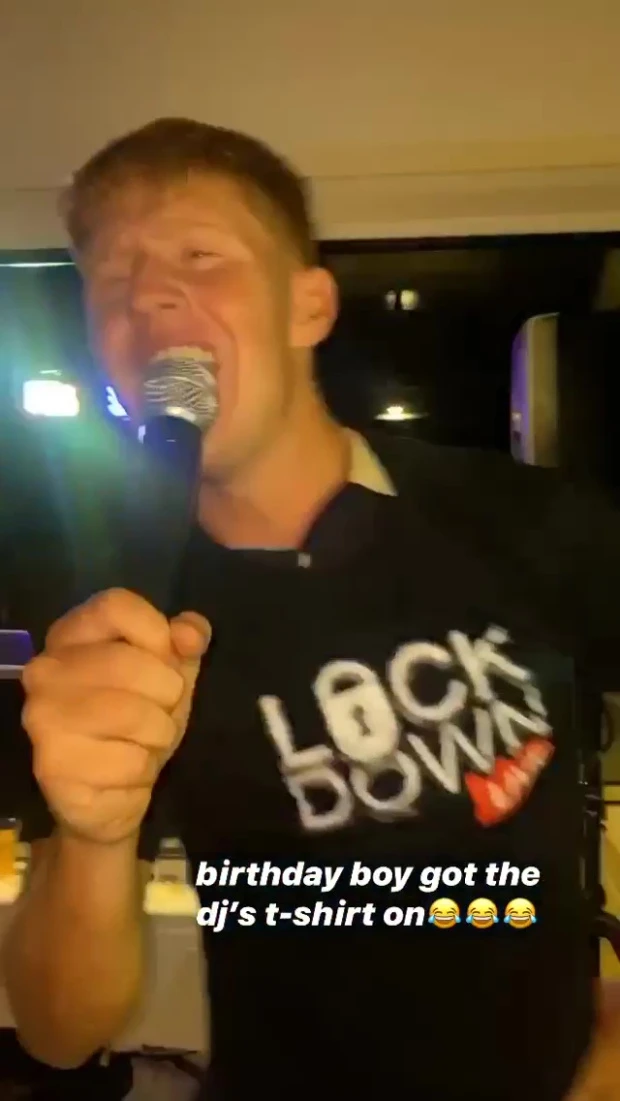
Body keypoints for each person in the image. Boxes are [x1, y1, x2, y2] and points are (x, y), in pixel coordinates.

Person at [2, 117, 620, 1101]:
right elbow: (60, 1031)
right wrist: (93, 833)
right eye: (111, 274)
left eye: (200, 255)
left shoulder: (518, 513)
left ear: (308, 305)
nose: (147, 293)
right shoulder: (120, 606)